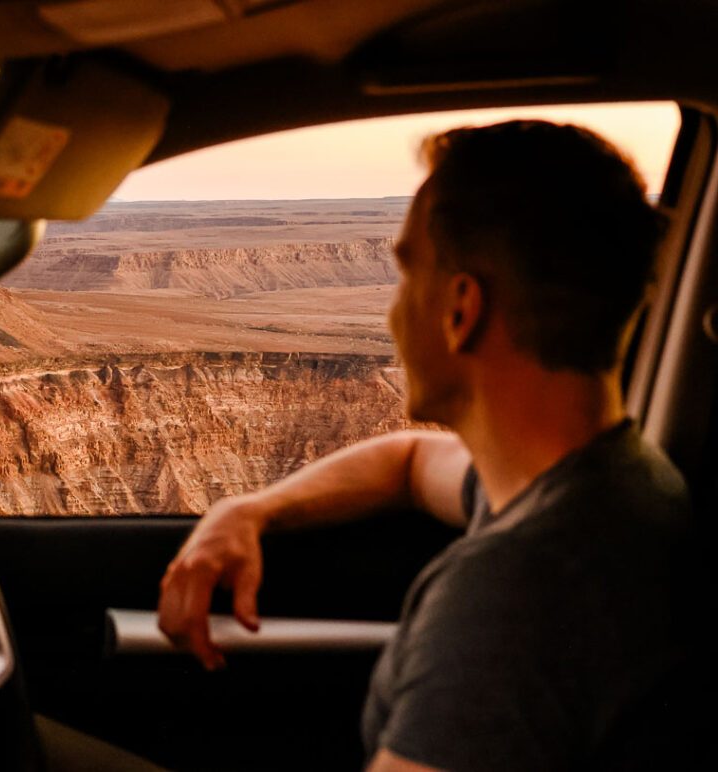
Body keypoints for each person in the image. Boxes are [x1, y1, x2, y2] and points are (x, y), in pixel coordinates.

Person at [157, 120, 698, 771]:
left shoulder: (519, 593)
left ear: (460, 309)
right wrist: (250, 509)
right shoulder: (611, 482)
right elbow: (410, 460)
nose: (391, 313)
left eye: (406, 272)